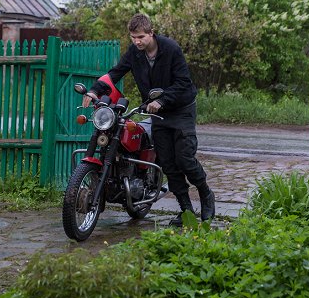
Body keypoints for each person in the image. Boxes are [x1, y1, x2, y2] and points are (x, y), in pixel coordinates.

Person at [83, 13, 215, 226]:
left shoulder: (171, 49)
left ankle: (206, 194)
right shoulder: (134, 53)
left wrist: (162, 100)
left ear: (151, 33)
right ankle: (186, 211)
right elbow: (115, 73)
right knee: (169, 164)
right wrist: (94, 91)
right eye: (133, 37)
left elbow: (183, 83)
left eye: (141, 37)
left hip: (181, 110)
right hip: (157, 113)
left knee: (185, 160)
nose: (137, 41)